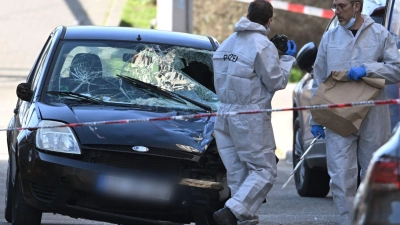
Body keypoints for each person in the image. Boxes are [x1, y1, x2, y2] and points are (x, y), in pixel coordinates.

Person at [309, 0, 400, 224]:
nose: (336, 12)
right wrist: (315, 116)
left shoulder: (380, 34)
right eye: (334, 6)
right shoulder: (330, 38)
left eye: (341, 6)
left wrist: (369, 69)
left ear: (357, 5)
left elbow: (397, 68)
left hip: (373, 115)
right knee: (340, 176)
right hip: (338, 114)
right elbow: (319, 78)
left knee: (373, 174)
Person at [211, 0, 297, 224]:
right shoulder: (262, 45)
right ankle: (230, 212)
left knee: (240, 177)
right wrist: (286, 59)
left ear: (247, 15)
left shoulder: (227, 44)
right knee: (264, 171)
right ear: (270, 21)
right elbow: (275, 81)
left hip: (223, 117)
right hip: (248, 117)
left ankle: (241, 219)